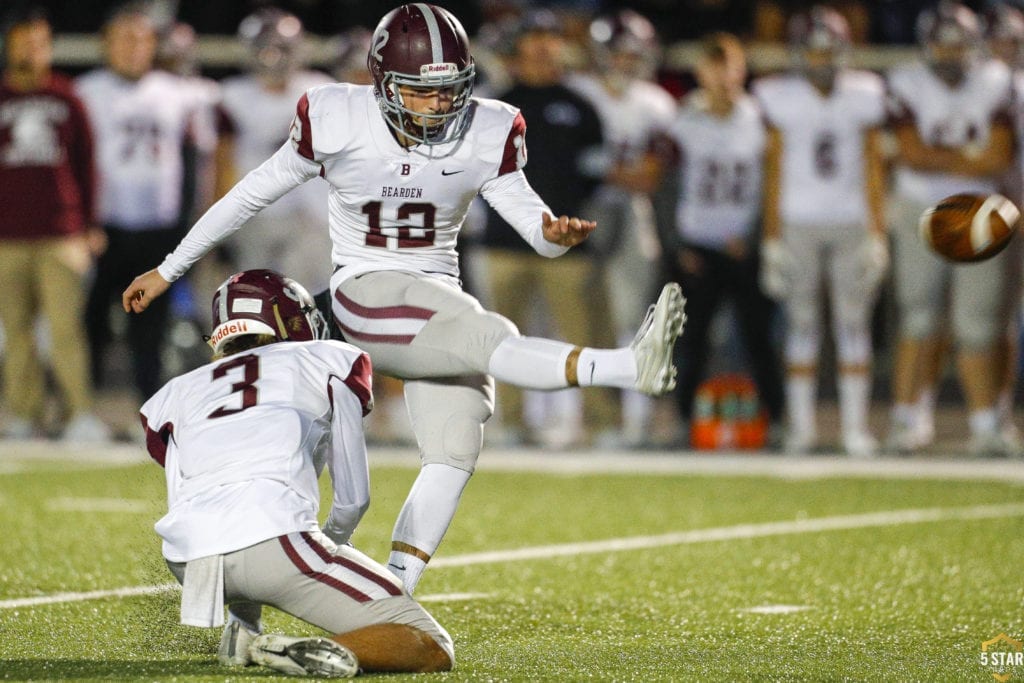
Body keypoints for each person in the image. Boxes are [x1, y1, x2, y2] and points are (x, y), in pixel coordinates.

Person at [122, 3, 685, 594]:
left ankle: (395, 589)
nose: (441, 105)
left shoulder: (488, 128)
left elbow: (532, 226)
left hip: (435, 294)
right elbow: (248, 196)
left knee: (454, 448)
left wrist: (551, 235)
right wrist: (169, 268)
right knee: (481, 334)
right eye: (423, 91)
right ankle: (626, 367)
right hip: (363, 290)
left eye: (450, 91)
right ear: (384, 82)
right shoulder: (337, 116)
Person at [140, 269, 453, 677]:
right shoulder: (326, 358)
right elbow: (352, 499)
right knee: (429, 644)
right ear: (288, 317)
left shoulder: (178, 390)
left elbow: (194, 495)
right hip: (277, 549)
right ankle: (280, 649)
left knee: (245, 508)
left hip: (188, 561)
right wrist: (328, 547)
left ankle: (242, 629)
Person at [477, 9, 620, 448]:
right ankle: (513, 422)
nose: (542, 47)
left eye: (549, 38)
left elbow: (595, 174)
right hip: (503, 241)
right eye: (533, 39)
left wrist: (574, 220)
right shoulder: (490, 103)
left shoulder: (581, 106)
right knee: (503, 341)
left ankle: (603, 423)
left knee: (587, 335)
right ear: (515, 49)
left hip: (567, 241)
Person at [754, 6, 888, 457]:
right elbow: (772, 170)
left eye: (828, 50)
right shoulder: (779, 95)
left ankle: (854, 428)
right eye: (813, 51)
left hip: (851, 221)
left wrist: (877, 231)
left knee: (853, 325)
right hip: (797, 220)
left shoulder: (865, 91)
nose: (821, 59)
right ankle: (803, 428)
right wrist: (771, 238)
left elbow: (873, 167)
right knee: (802, 326)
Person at [885, 2, 1018, 456]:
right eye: (943, 42)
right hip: (920, 206)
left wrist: (940, 156)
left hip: (981, 210)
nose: (950, 52)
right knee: (918, 317)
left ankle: (984, 425)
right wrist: (969, 157)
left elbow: (998, 157)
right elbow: (909, 153)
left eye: (958, 42)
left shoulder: (997, 81)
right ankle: (905, 419)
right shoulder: (907, 81)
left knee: (978, 324)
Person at [655, 32, 785, 446]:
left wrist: (756, 236)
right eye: (716, 67)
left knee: (759, 337)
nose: (725, 76)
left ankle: (778, 421)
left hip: (744, 247)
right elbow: (665, 189)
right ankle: (681, 421)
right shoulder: (683, 122)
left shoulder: (760, 119)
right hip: (699, 247)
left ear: (742, 71)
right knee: (689, 339)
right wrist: (677, 245)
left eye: (731, 66)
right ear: (701, 73)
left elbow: (773, 184)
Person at [75, 2, 206, 401]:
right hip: (104, 226)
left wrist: (188, 225)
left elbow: (191, 164)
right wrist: (82, 222)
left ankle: (148, 409)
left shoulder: (177, 93)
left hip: (159, 228)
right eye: (125, 39)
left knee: (151, 328)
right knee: (92, 319)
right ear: (106, 44)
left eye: (142, 39)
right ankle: (89, 407)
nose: (134, 47)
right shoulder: (85, 91)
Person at [568, 9, 680, 446]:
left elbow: (649, 177)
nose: (623, 62)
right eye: (616, 54)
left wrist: (600, 170)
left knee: (632, 316)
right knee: (570, 314)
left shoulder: (655, 102)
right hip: (579, 209)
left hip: (634, 212)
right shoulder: (578, 93)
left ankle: (633, 420)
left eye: (631, 54)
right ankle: (573, 418)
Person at [0, 6, 111, 441]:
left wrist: (90, 224)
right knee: (17, 332)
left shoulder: (67, 98)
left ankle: (79, 412)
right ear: (10, 45)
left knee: (66, 329)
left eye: (40, 41)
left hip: (61, 233)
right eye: (25, 40)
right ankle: (24, 414)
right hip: (6, 235)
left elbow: (86, 165)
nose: (33, 49)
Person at [216, 8, 334, 294]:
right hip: (251, 216)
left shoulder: (320, 89)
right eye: (264, 48)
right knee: (252, 301)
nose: (272, 57)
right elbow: (221, 159)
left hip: (309, 217)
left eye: (281, 48)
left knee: (307, 299)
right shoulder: (231, 96)